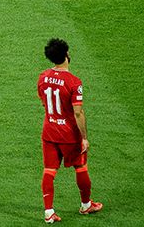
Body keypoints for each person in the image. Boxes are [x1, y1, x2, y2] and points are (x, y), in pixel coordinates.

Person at [37, 38, 103, 223]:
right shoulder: (74, 82)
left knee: (49, 170)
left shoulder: (42, 77)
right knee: (81, 167)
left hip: (49, 131)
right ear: (66, 55)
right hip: (69, 135)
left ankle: (48, 213)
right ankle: (85, 205)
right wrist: (84, 138)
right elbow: (78, 112)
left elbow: (43, 101)